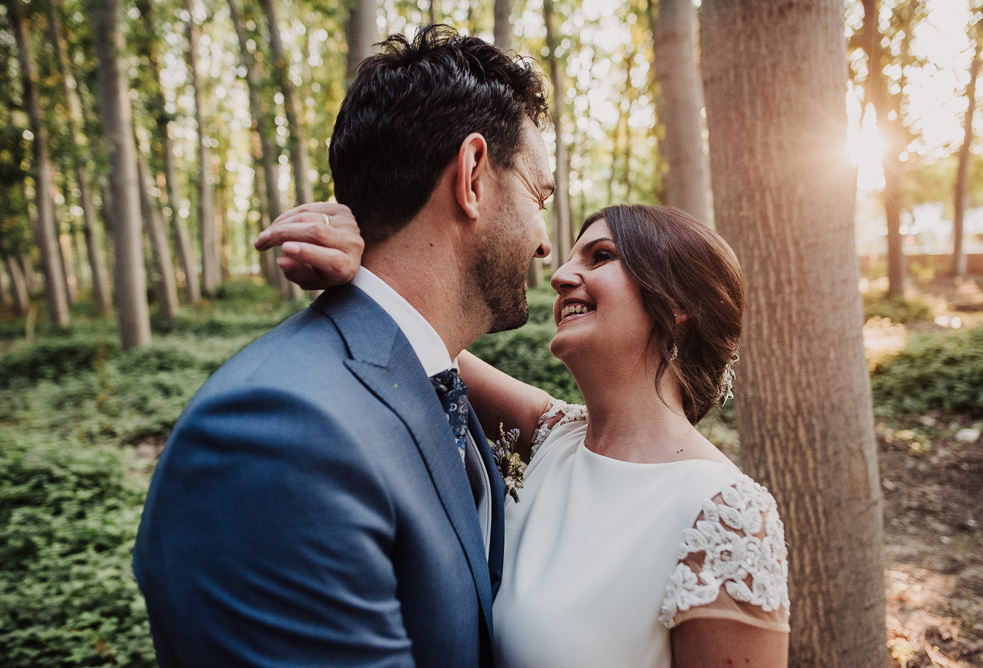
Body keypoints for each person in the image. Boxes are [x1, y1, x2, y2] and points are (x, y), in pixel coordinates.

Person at [133, 26, 552, 667]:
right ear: (472, 175)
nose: (547, 243)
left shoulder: (424, 376)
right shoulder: (277, 435)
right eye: (538, 195)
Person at [267, 203, 791, 667]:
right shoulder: (549, 436)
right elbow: (419, 336)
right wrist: (361, 257)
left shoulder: (727, 515)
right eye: (571, 258)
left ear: (677, 304)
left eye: (600, 256)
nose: (561, 274)